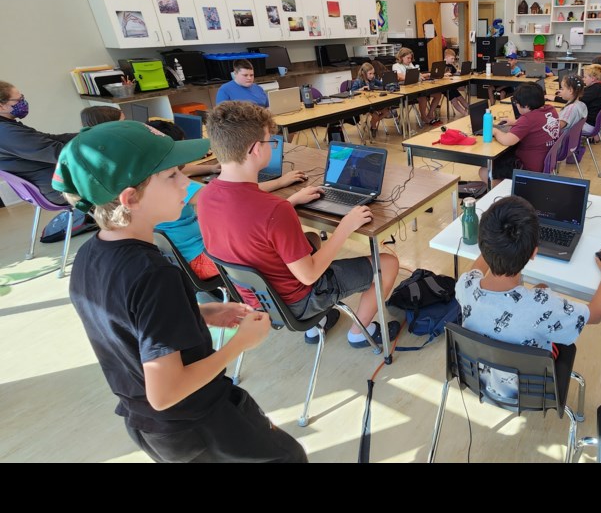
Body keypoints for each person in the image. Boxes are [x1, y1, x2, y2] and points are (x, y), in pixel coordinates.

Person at [52, 121, 305, 463]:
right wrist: (242, 343)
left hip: (150, 426)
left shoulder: (91, 254)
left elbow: (126, 323)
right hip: (197, 423)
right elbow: (165, 392)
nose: (185, 183)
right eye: (172, 176)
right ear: (131, 198)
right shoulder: (155, 274)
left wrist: (197, 312)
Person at [198, 101, 401, 348]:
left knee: (312, 239)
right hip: (298, 301)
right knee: (388, 263)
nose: (272, 146)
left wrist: (291, 201)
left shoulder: (206, 196)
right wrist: (345, 227)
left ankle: (319, 327)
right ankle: (360, 332)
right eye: (269, 141)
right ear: (255, 150)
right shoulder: (274, 210)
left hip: (256, 297)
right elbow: (309, 275)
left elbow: (245, 211)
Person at [456, 196, 601, 400]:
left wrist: (494, 244)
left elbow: (476, 270)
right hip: (530, 390)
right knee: (543, 292)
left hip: (477, 377)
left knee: (540, 289)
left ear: (482, 245)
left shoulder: (465, 284)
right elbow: (595, 314)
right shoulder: (544, 305)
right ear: (534, 253)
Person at [146, 119, 307, 282]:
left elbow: (186, 169)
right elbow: (234, 197)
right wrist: (284, 189)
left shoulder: (150, 180)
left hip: (187, 254)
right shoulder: (176, 187)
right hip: (201, 259)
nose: (184, 161)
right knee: (266, 246)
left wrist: (210, 168)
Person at [0, 80, 76, 204]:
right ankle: (111, 217)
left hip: (48, 182)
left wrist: (87, 134)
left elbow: (50, 138)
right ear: (1, 106)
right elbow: (59, 154)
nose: (23, 102)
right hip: (58, 188)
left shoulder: (7, 126)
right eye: (18, 100)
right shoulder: (6, 133)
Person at [479, 82, 560, 186]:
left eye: (516, 103)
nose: (516, 105)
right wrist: (517, 123)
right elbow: (537, 124)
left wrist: (495, 131)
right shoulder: (551, 110)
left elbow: (507, 140)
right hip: (544, 162)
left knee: (484, 170)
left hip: (527, 167)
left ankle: (511, 192)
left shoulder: (527, 119)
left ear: (526, 106)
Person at [394, 47, 440, 125]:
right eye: (408, 58)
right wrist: (417, 76)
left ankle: (430, 113)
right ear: (401, 57)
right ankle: (423, 117)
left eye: (411, 58)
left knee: (438, 94)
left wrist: (428, 74)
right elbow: (400, 77)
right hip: (406, 91)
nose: (410, 60)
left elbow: (418, 74)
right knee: (423, 97)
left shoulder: (410, 64)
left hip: (416, 88)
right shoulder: (396, 66)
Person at [350, 62, 389, 136]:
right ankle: (373, 127)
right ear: (363, 73)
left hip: (373, 102)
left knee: (386, 112)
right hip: (365, 104)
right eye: (370, 74)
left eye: (373, 73)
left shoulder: (373, 79)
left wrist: (386, 82)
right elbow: (352, 92)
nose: (372, 75)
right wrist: (360, 89)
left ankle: (372, 123)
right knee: (376, 116)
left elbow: (382, 84)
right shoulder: (358, 81)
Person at [580, 64, 601, 135]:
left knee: (563, 126)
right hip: (596, 124)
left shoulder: (595, 90)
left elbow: (576, 100)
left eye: (585, 77)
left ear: (593, 78)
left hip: (588, 125)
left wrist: (556, 98)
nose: (583, 79)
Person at [441, 48, 469, 117]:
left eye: (454, 59)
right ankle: (465, 113)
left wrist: (459, 71)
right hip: (444, 87)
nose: (453, 61)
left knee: (460, 97)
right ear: (446, 57)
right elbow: (438, 76)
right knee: (454, 100)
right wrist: (444, 75)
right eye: (452, 59)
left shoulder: (451, 65)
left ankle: (470, 109)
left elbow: (455, 72)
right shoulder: (441, 65)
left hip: (451, 86)